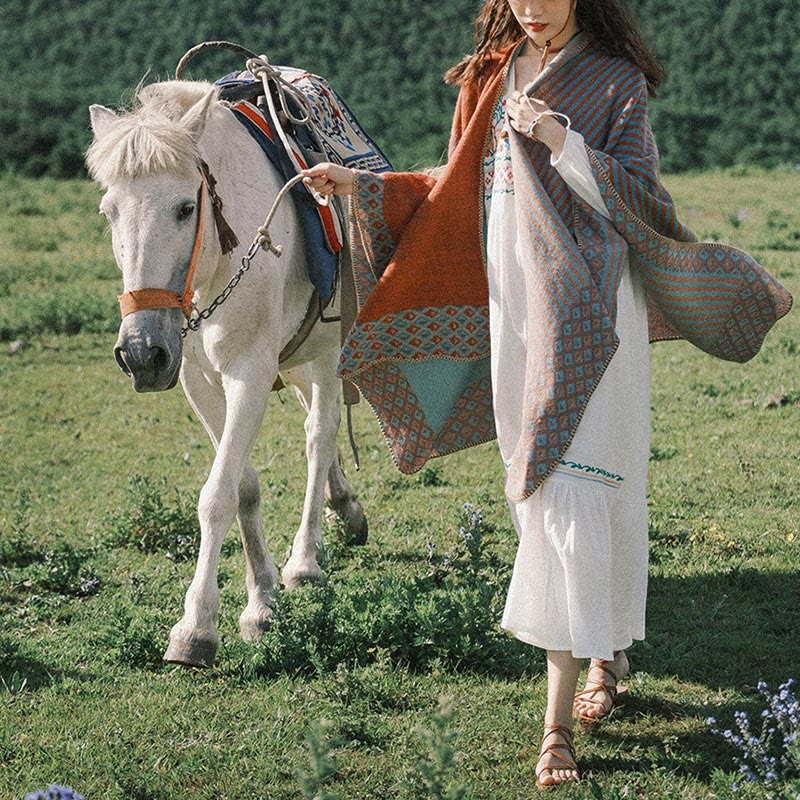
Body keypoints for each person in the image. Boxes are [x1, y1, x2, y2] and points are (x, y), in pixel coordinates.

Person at [303, 0, 791, 788]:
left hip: (593, 308)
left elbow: (643, 197)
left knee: (576, 485)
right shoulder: (489, 78)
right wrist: (361, 187)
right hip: (514, 308)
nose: (532, 8)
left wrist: (562, 139)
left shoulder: (612, 79)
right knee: (539, 491)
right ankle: (608, 649)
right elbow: (452, 186)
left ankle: (556, 726)